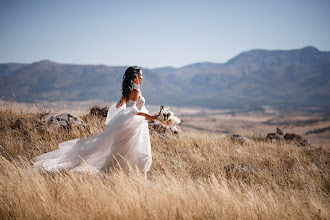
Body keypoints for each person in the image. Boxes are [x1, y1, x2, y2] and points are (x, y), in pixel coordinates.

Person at [34, 66, 155, 177]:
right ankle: (140, 178)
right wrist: (147, 115)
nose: (142, 77)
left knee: (124, 151)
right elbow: (132, 109)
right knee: (138, 152)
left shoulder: (129, 91)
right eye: (140, 75)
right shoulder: (136, 92)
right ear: (135, 77)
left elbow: (119, 106)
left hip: (132, 125)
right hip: (133, 126)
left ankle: (122, 175)